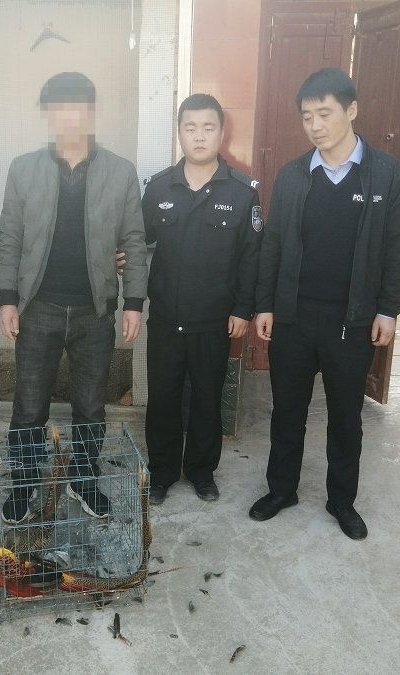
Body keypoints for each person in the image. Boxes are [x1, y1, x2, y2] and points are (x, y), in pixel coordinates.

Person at [249, 68, 400, 539]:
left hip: (352, 321)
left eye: (324, 114)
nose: (315, 126)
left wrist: (388, 309)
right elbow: (272, 244)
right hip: (294, 318)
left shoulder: (385, 174)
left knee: (346, 417)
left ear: (351, 110)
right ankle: (282, 489)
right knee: (288, 412)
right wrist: (266, 304)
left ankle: (342, 501)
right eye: (307, 117)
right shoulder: (294, 175)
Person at [0, 72, 148, 524]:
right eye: (59, 107)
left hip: (94, 310)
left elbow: (134, 240)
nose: (69, 116)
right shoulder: (24, 169)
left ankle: (84, 480)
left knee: (90, 406)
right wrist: (7, 298)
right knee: (28, 407)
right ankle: (24, 483)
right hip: (37, 307)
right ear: (47, 113)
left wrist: (133, 302)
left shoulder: (120, 171)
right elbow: (9, 238)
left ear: (92, 112)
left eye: (79, 106)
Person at [142, 94, 262, 505]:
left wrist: (243, 309)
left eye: (208, 127)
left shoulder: (243, 192)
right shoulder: (159, 187)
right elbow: (137, 241)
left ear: (222, 133)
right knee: (163, 399)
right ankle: (161, 472)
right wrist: (123, 260)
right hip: (165, 317)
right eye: (190, 127)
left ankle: (201, 471)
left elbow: (251, 257)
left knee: (208, 399)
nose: (199, 136)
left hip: (214, 320)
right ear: (179, 133)